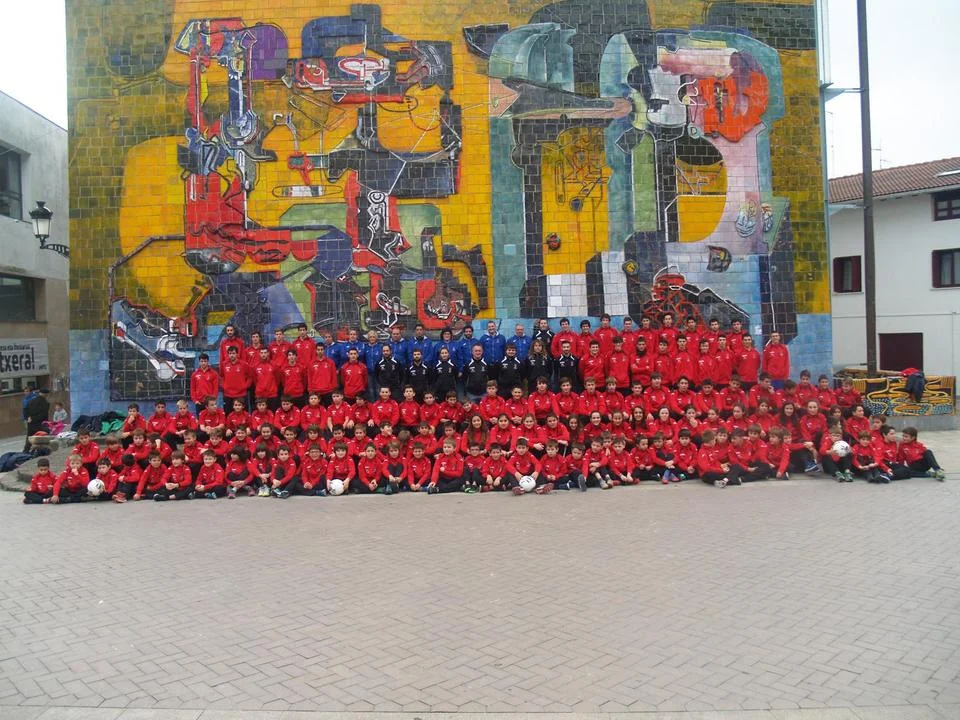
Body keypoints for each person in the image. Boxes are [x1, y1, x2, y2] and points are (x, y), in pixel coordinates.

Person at [23, 387, 50, 452]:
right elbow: (44, 415)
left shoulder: (32, 401)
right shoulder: (45, 403)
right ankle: (40, 451)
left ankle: (26, 450)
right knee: (41, 437)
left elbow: (25, 409)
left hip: (31, 423)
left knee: (29, 437)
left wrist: (28, 417)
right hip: (40, 423)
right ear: (46, 394)